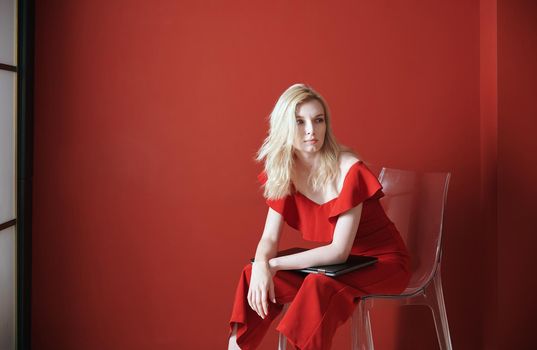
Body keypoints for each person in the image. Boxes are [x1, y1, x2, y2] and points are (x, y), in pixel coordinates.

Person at [228, 83, 411, 350]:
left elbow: (338, 251)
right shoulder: (285, 171)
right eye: (300, 122)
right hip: (339, 267)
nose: (312, 130)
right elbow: (269, 237)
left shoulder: (349, 169)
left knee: (316, 284)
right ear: (285, 127)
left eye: (318, 120)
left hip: (382, 263)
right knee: (251, 273)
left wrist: (273, 265)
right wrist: (261, 266)